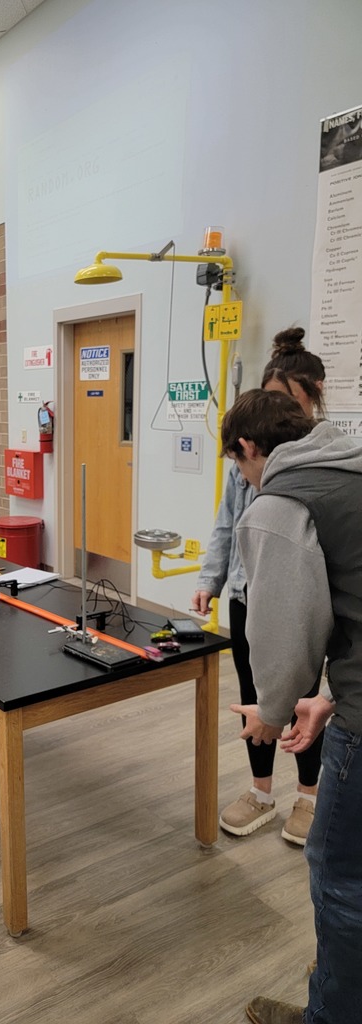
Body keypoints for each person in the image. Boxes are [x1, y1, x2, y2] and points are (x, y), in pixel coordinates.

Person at [219, 388, 362, 1024]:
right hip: (352, 694)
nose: (244, 479)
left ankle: (331, 1011)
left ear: (249, 447)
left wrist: (271, 711)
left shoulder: (281, 502)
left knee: (340, 878)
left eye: (239, 465)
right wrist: (329, 695)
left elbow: (284, 629)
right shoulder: (349, 466)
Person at [191, 328, 329, 844]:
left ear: (311, 397)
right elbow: (227, 524)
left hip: (301, 599)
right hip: (250, 594)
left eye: (287, 402)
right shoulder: (245, 466)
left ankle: (309, 797)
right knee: (257, 696)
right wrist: (213, 578)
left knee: (303, 698)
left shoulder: (321, 464)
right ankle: (261, 792)